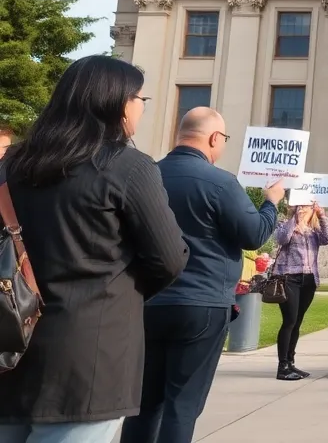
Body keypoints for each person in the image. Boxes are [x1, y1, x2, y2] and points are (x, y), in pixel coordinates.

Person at [0, 56, 189, 443]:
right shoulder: (127, 166)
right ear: (119, 103)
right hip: (89, 357)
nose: (141, 108)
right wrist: (114, 291)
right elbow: (169, 258)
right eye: (141, 99)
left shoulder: (11, 164)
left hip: (10, 341)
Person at [122, 107, 283, 443]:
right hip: (202, 302)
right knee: (183, 404)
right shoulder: (221, 183)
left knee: (144, 402)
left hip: (148, 301)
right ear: (213, 139)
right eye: (223, 139)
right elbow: (253, 234)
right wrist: (271, 203)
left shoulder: (146, 175)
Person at [271, 202, 328, 380]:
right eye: (300, 205)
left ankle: (290, 362)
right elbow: (282, 239)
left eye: (307, 206)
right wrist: (295, 219)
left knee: (298, 321)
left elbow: (327, 239)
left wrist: (322, 215)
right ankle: (282, 366)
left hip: (309, 278)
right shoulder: (284, 224)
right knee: (289, 321)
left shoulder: (314, 229)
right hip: (289, 277)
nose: (304, 209)